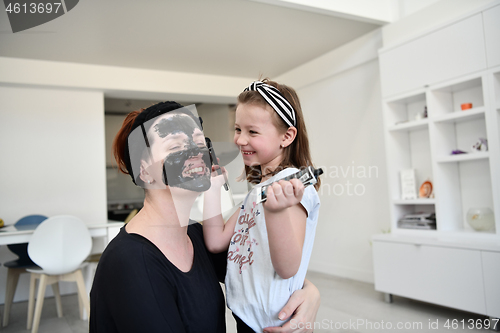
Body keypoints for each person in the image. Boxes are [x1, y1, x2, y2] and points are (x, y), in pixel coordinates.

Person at [90, 101, 320, 333]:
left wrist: (310, 293)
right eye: (176, 146)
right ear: (145, 170)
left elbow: (254, 270)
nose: (195, 153)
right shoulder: (129, 264)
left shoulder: (195, 237)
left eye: (200, 143)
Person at [202, 79, 321, 333]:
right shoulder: (257, 191)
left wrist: (275, 212)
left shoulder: (290, 189)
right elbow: (216, 241)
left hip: (272, 323)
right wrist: (212, 188)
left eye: (252, 132)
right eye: (237, 129)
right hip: (246, 315)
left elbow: (288, 268)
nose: (240, 140)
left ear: (286, 136)